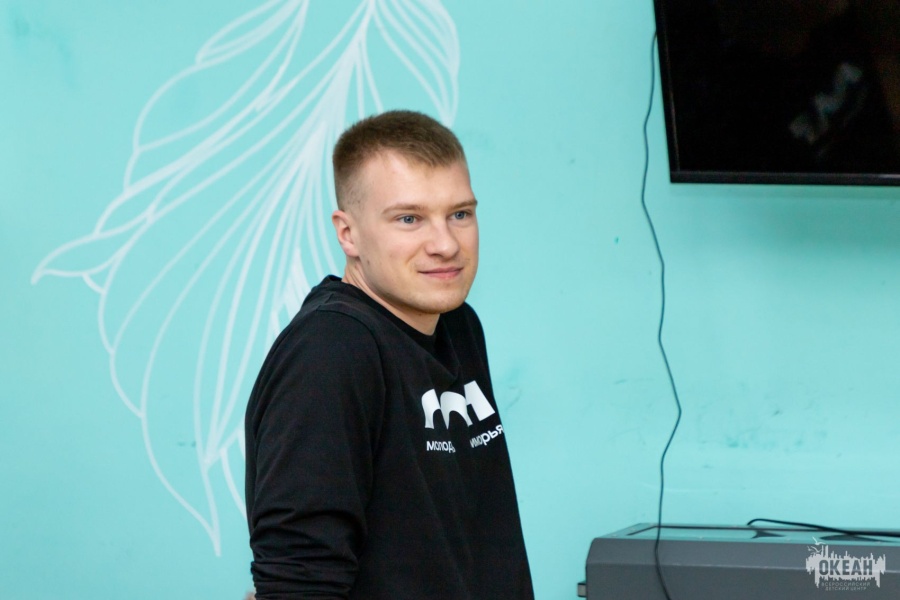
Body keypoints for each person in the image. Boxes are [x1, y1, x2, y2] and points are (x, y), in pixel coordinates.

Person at [244, 110, 534, 599]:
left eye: (460, 214)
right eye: (409, 219)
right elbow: (298, 580)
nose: (445, 244)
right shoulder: (331, 349)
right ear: (348, 234)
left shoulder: (457, 325)